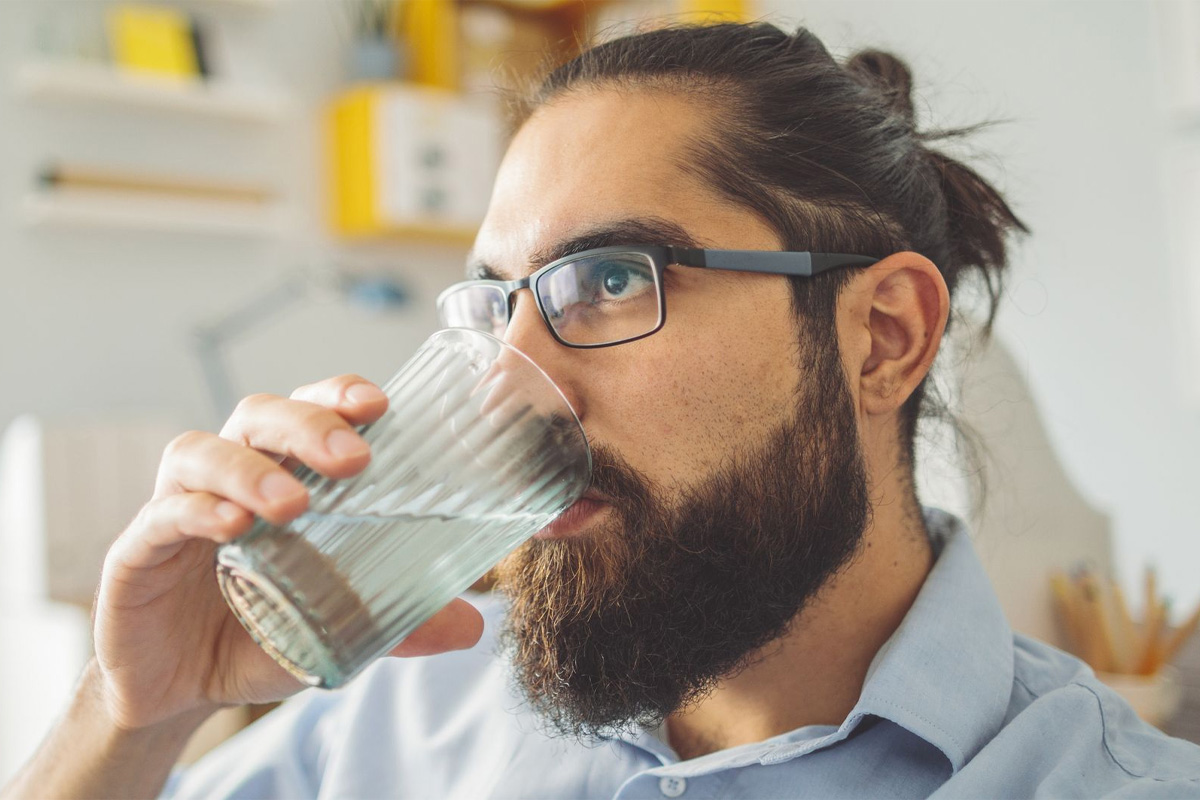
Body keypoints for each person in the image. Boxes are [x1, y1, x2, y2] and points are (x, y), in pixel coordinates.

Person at [5, 21, 1200, 800]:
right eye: (493, 304)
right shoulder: (407, 716)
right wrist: (133, 712)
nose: (509, 380)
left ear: (882, 337)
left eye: (612, 277)